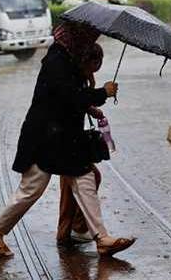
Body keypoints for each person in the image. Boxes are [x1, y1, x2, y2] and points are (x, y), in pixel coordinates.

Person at [0, 23, 136, 257]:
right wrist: (102, 93)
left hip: (65, 140)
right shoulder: (57, 61)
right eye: (86, 39)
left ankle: (102, 239)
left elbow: (68, 97)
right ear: (76, 39)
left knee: (84, 179)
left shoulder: (68, 59)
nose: (88, 44)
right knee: (32, 189)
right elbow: (68, 96)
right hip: (44, 138)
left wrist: (90, 106)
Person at [57, 43, 106, 245]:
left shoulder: (84, 76)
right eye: (95, 62)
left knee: (70, 187)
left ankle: (69, 229)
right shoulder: (73, 74)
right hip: (64, 137)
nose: (98, 66)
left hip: (71, 137)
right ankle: (75, 228)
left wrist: (91, 109)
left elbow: (79, 100)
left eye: (100, 62)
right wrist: (103, 93)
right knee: (89, 177)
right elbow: (71, 99)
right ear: (86, 60)